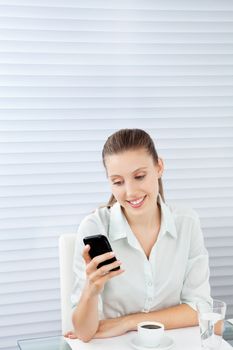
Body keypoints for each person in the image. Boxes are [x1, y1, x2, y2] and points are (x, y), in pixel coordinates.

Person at [67, 128, 211, 342]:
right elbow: (84, 333)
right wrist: (91, 290)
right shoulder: (94, 227)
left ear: (159, 167)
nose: (131, 192)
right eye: (118, 182)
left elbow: (200, 309)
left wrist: (126, 322)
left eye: (139, 176)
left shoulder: (187, 223)